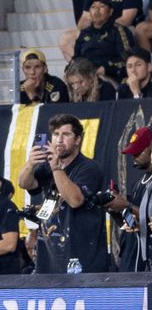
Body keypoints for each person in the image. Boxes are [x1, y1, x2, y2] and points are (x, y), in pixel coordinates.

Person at [18, 113, 109, 274]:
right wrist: (30, 164)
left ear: (77, 140)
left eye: (65, 134)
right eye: (55, 134)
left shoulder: (88, 167)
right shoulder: (47, 167)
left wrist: (56, 167)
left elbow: (75, 200)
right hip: (50, 256)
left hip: (81, 256)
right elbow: (24, 183)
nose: (59, 140)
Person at [110, 127, 152, 272]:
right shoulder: (140, 181)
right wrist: (115, 209)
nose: (134, 157)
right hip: (132, 256)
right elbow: (133, 222)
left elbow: (149, 220)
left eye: (138, 152)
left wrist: (126, 204)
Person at [72, 0, 136, 81]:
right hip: (86, 78)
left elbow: (129, 60)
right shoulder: (84, 33)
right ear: (89, 11)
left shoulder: (119, 31)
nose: (96, 10)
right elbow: (76, 58)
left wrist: (106, 68)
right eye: (93, 7)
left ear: (110, 11)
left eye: (102, 6)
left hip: (110, 77)